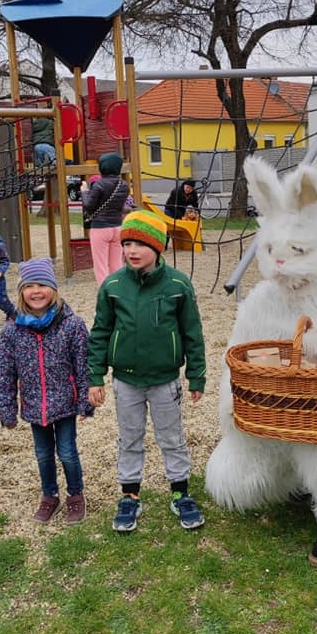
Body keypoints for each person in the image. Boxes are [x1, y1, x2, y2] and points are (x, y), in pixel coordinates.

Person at [88, 210, 207, 533]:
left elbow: (192, 333)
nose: (132, 251)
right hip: (126, 380)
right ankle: (130, 495)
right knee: (129, 438)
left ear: (157, 247)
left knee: (172, 437)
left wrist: (196, 375)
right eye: (127, 244)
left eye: (140, 244)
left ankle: (180, 492)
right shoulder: (113, 286)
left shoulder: (178, 285)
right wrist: (95, 376)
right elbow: (100, 332)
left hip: (164, 380)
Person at [0, 257, 93, 524]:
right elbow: (4, 373)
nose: (36, 291)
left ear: (53, 289)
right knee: (43, 454)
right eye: (29, 286)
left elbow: (83, 365)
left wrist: (85, 402)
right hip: (34, 405)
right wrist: (6, 410)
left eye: (42, 285)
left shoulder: (72, 325)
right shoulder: (12, 331)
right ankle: (50, 496)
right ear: (21, 292)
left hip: (65, 403)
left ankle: (75, 495)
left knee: (68, 452)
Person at [80, 152, 131, 286]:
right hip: (117, 227)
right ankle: (118, 289)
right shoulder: (124, 185)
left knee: (100, 264)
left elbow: (89, 206)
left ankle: (105, 291)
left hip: (100, 227)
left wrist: (84, 191)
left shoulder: (99, 184)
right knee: (117, 263)